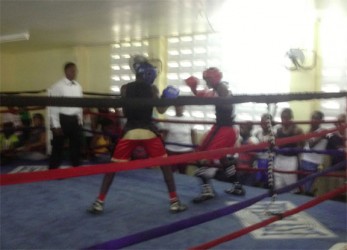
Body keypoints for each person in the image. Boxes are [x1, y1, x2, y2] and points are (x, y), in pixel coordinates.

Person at [88, 61, 187, 214]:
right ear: (148, 74)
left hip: (130, 131)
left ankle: (99, 201)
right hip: (148, 131)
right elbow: (160, 110)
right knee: (165, 166)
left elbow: (123, 109)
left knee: (112, 168)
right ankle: (174, 201)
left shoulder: (125, 88)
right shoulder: (152, 89)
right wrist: (168, 98)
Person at [185, 67, 245, 204]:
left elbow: (225, 103)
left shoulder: (222, 87)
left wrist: (213, 98)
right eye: (206, 80)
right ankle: (237, 186)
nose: (207, 82)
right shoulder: (217, 89)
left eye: (208, 79)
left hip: (225, 129)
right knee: (222, 158)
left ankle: (208, 191)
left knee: (202, 156)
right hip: (222, 127)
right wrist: (194, 89)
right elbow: (205, 96)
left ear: (215, 78)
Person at [47, 62, 83, 169]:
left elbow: (80, 104)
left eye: (75, 71)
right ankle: (53, 170)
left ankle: (76, 168)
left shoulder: (78, 86)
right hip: (62, 119)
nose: (74, 73)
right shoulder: (57, 86)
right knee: (58, 146)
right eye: (72, 70)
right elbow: (53, 106)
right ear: (66, 71)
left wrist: (80, 119)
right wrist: (56, 124)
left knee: (76, 146)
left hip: (74, 119)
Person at [274, 108, 304, 190]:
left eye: (286, 117)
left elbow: (301, 146)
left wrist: (292, 149)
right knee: (278, 185)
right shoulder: (279, 130)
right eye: (282, 117)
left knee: (291, 185)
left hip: (291, 160)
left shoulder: (297, 130)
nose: (284, 120)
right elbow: (276, 144)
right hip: (279, 159)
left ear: (291, 118)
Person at [299, 111, 328, 195]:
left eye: (316, 118)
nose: (313, 120)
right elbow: (304, 145)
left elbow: (311, 144)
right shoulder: (310, 131)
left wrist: (309, 134)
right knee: (304, 187)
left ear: (321, 120)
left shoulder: (323, 131)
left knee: (309, 188)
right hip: (305, 160)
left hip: (314, 162)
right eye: (312, 117)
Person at [161, 105, 196, 174]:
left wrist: (194, 147)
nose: (179, 108)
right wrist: (162, 147)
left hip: (185, 150)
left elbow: (193, 134)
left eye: (181, 106)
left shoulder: (190, 119)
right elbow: (165, 133)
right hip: (171, 149)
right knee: (171, 171)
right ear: (175, 108)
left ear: (184, 108)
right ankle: (171, 184)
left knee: (182, 171)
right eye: (177, 106)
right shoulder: (169, 119)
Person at [254, 113, 275, 188]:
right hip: (259, 161)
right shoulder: (257, 133)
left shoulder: (273, 134)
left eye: (265, 122)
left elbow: (264, 146)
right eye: (262, 122)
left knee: (267, 184)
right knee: (257, 182)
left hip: (269, 161)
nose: (263, 124)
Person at [236, 121, 259, 186]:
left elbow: (255, 157)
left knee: (248, 190)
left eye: (243, 128)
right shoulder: (241, 140)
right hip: (240, 170)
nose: (241, 130)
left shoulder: (252, 140)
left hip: (249, 172)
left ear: (249, 129)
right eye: (240, 128)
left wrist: (247, 169)